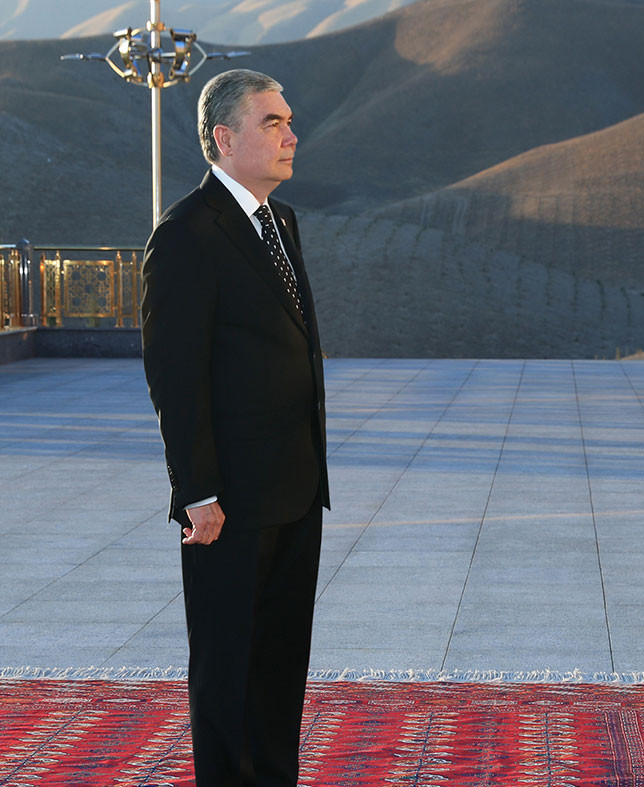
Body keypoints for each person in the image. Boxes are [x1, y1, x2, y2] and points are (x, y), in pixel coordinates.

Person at [140, 68, 330, 787]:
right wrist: (198, 490)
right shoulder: (187, 232)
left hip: (295, 486)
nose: (291, 135)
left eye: (288, 121)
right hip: (228, 502)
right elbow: (175, 374)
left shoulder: (281, 222)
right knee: (226, 669)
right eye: (272, 123)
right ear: (224, 137)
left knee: (280, 665)